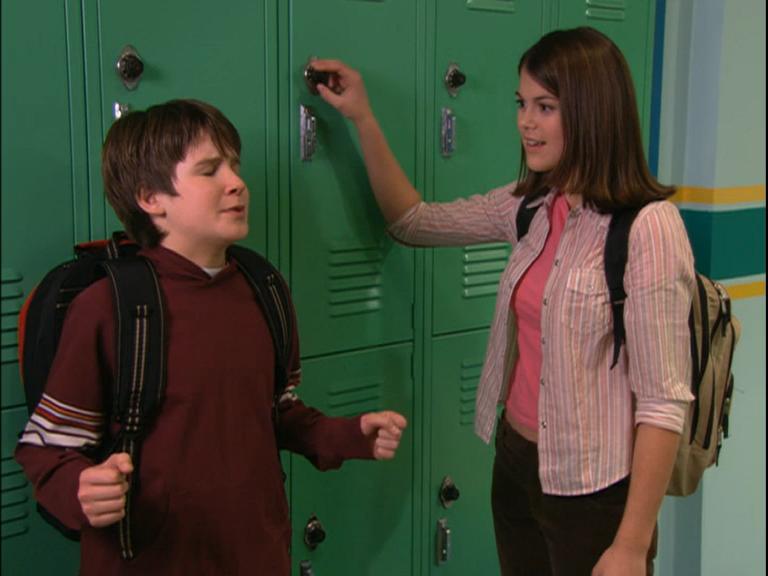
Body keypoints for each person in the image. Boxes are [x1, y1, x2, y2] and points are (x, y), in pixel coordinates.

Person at [311, 26, 694, 576]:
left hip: (593, 490)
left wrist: (632, 545)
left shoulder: (647, 227)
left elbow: (662, 403)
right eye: (521, 104)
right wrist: (363, 119)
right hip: (515, 464)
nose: (525, 122)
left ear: (592, 113)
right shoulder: (530, 206)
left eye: (545, 107)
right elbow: (413, 222)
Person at [14, 99, 407, 575]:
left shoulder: (265, 289)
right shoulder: (110, 308)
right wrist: (81, 488)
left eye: (234, 166)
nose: (236, 182)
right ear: (150, 198)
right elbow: (45, 450)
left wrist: (347, 435)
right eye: (209, 170)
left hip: (256, 556)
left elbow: (276, 414)